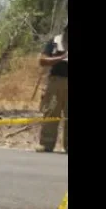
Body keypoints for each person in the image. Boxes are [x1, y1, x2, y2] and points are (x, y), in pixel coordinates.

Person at [36, 23, 67, 153]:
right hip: (56, 82)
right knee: (51, 111)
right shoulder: (55, 42)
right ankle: (46, 144)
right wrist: (60, 58)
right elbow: (42, 60)